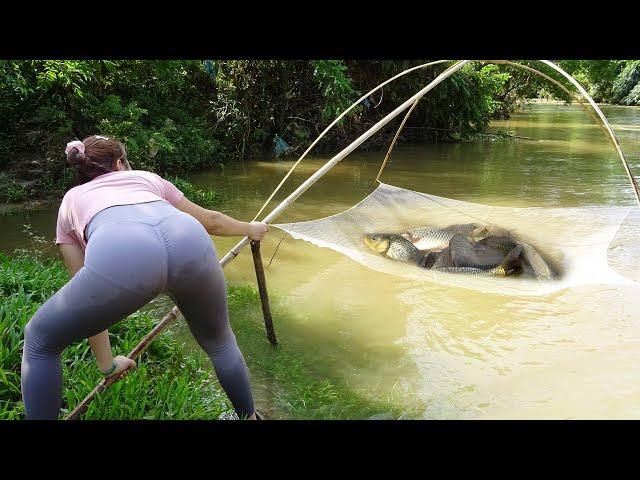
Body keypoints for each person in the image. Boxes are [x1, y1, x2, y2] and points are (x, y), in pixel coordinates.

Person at [21, 135, 268, 420]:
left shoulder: (71, 200)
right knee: (221, 342)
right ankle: (249, 416)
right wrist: (250, 228)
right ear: (119, 163)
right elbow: (211, 221)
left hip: (124, 252)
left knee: (40, 340)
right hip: (188, 238)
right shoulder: (146, 178)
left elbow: (84, 288)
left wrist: (107, 365)